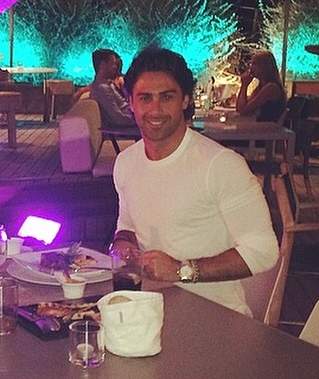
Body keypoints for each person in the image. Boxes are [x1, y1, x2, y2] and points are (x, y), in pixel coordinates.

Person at [112, 46, 279, 315]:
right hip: (149, 311)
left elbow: (264, 251)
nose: (155, 109)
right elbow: (127, 225)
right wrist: (123, 243)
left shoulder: (220, 165)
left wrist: (182, 270)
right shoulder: (126, 162)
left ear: (185, 100)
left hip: (217, 318)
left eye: (167, 97)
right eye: (145, 98)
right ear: (131, 102)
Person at [88, 48, 137, 128]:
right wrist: (139, 120)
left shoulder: (107, 85)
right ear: (102, 65)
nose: (116, 67)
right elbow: (118, 118)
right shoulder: (102, 89)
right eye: (113, 64)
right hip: (129, 127)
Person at [236, 50, 286, 122]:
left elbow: (243, 110)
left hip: (267, 127)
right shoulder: (260, 87)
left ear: (264, 66)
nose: (251, 67)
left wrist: (244, 85)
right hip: (259, 125)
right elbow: (240, 108)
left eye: (254, 64)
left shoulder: (271, 88)